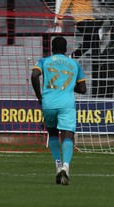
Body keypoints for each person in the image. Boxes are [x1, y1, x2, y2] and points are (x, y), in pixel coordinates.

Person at [31, 36, 87, 185]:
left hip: (48, 103)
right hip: (66, 104)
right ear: (66, 48)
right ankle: (65, 167)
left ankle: (57, 165)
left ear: (51, 48)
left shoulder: (44, 61)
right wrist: (69, 87)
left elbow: (34, 75)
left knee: (53, 133)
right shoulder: (74, 64)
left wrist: (39, 96)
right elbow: (83, 89)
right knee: (68, 135)